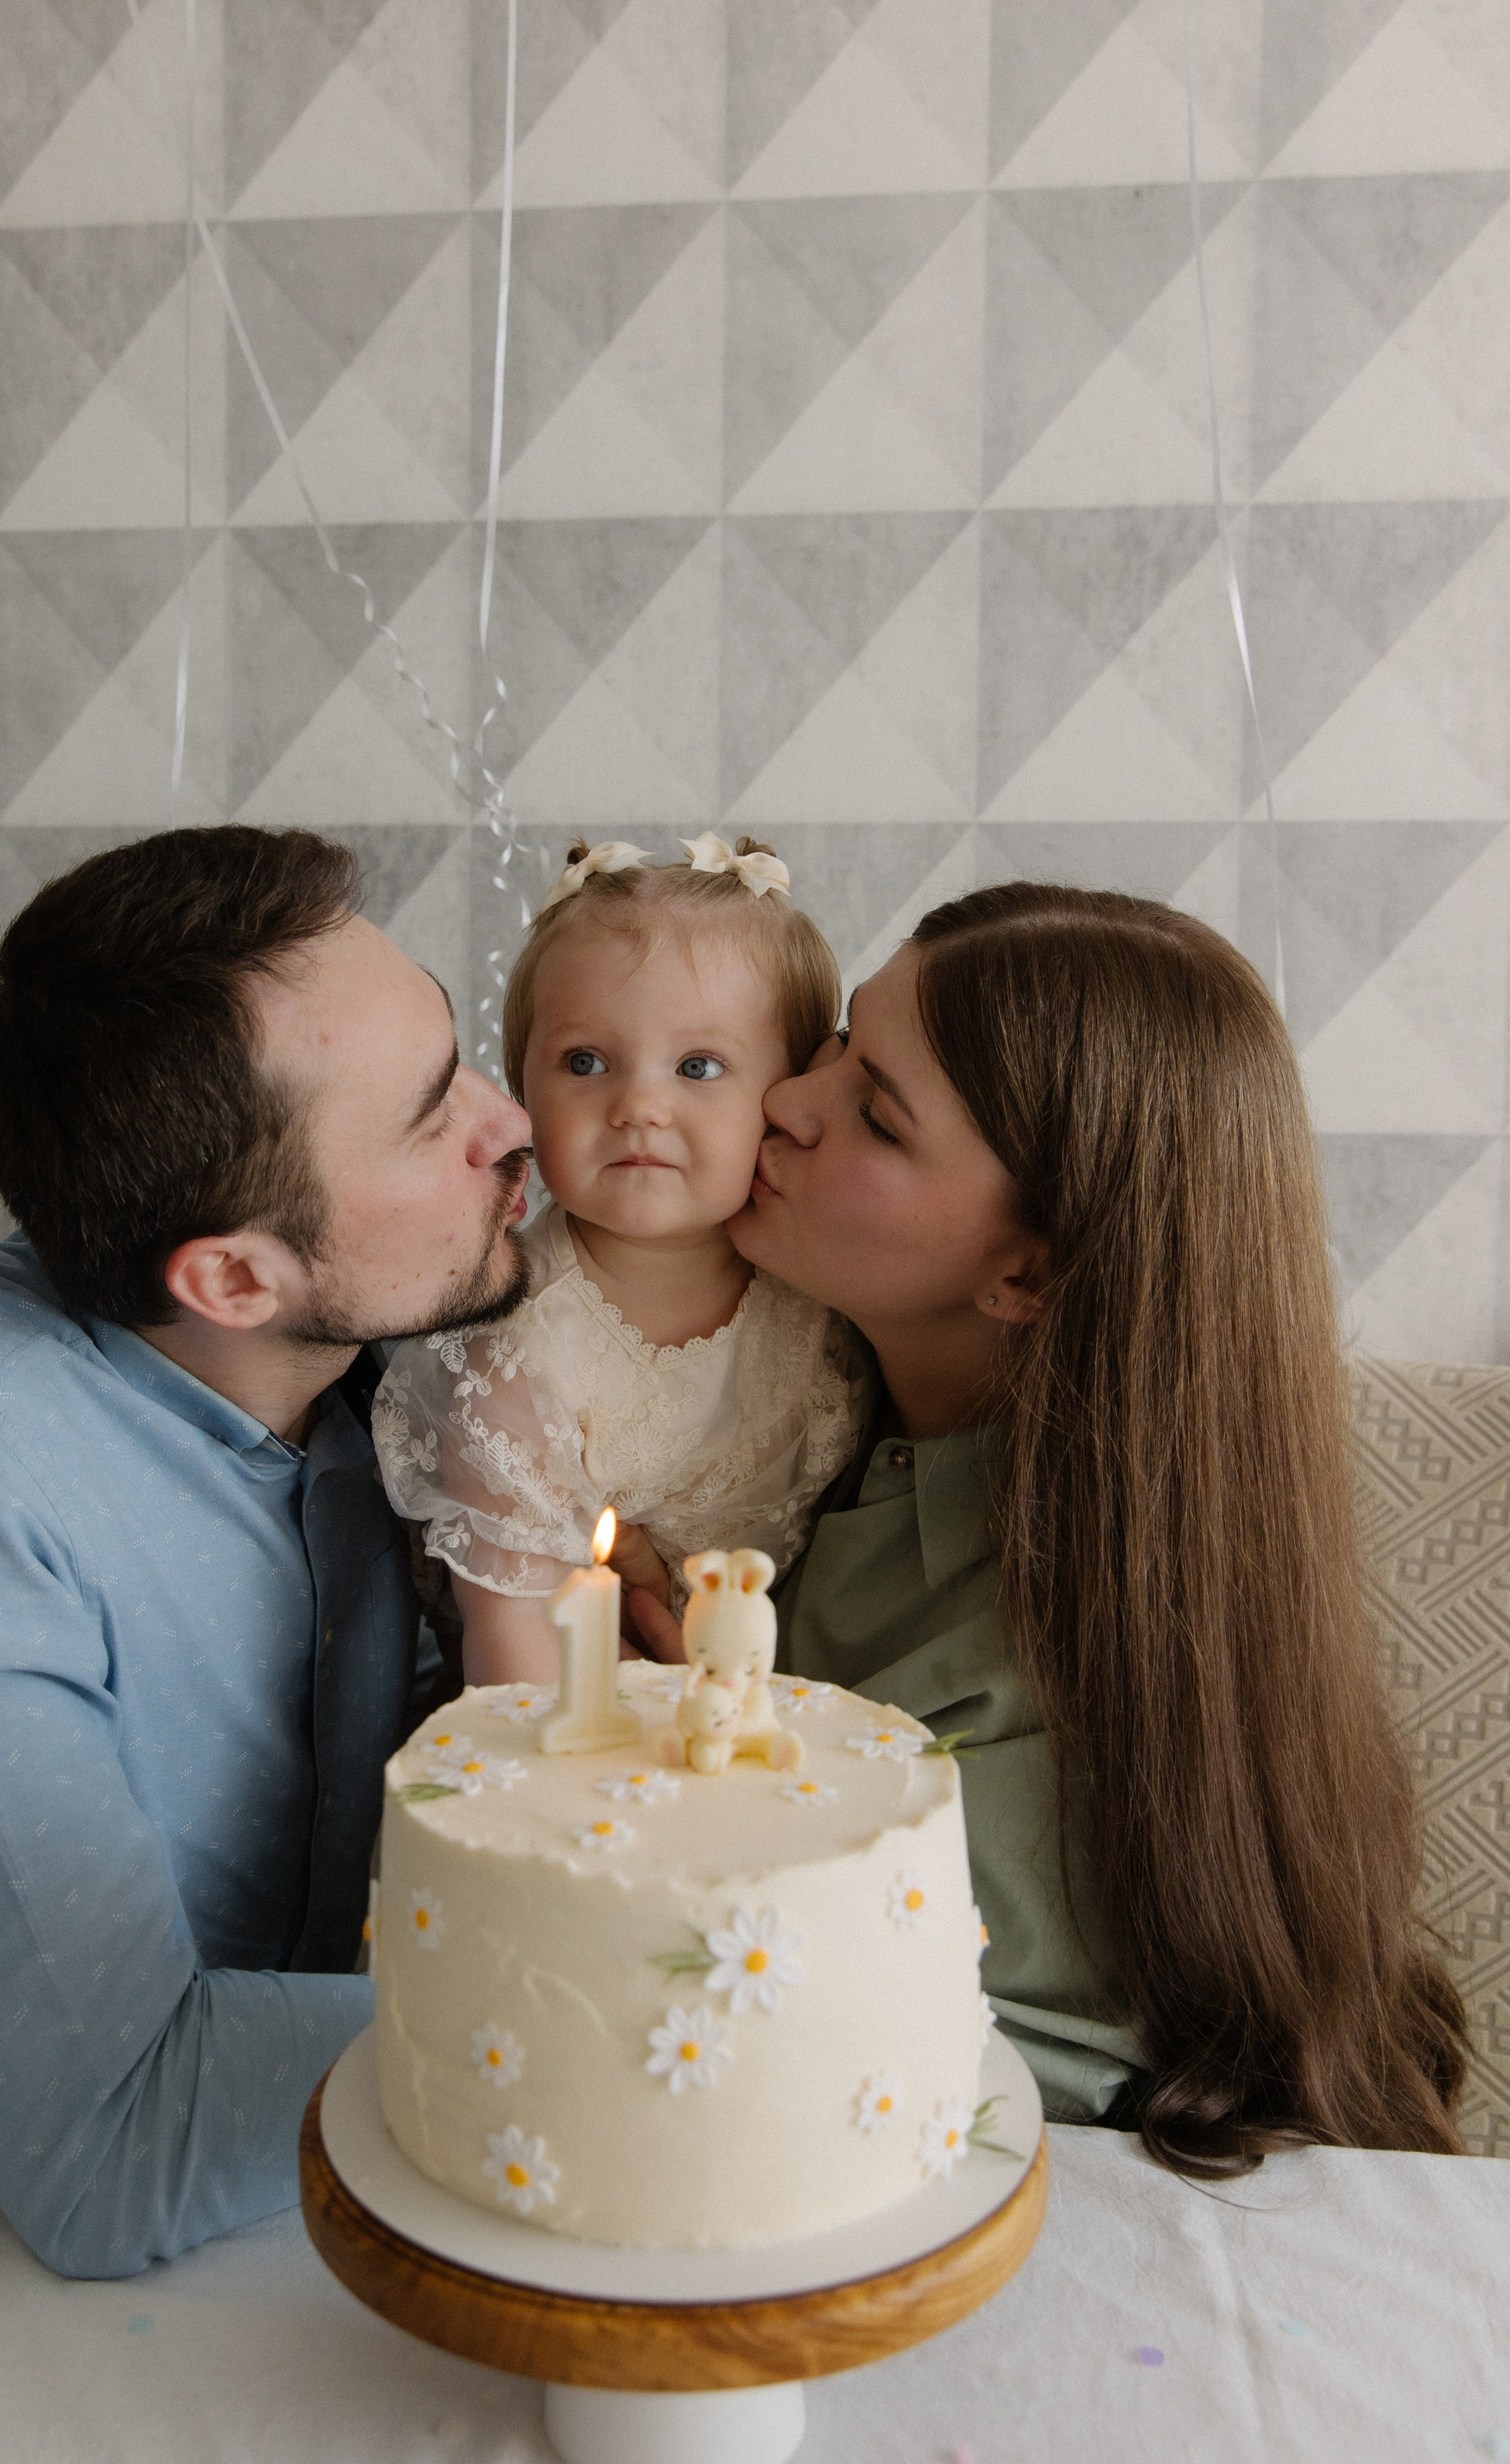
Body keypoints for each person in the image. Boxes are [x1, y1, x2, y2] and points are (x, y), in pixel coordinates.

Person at [0, 826, 533, 2274]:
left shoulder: (415, 1365)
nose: (513, 1123)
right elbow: (105, 2141)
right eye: (433, 1120)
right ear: (232, 1277)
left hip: (349, 2163)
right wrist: (618, 2037)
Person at [626, 881, 1469, 2164]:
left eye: (878, 1116)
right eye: (840, 1042)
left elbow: (883, 2074)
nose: (785, 1099)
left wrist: (691, 1762)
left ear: (1027, 1273)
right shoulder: (780, 1393)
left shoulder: (1043, 1696)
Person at [373, 833, 867, 1688]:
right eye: (585, 1062)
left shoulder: (828, 1287)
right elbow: (517, 1648)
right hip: (586, 1717)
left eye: (698, 1066)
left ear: (788, 1095)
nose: (639, 1105)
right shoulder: (513, 1350)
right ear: (522, 1089)